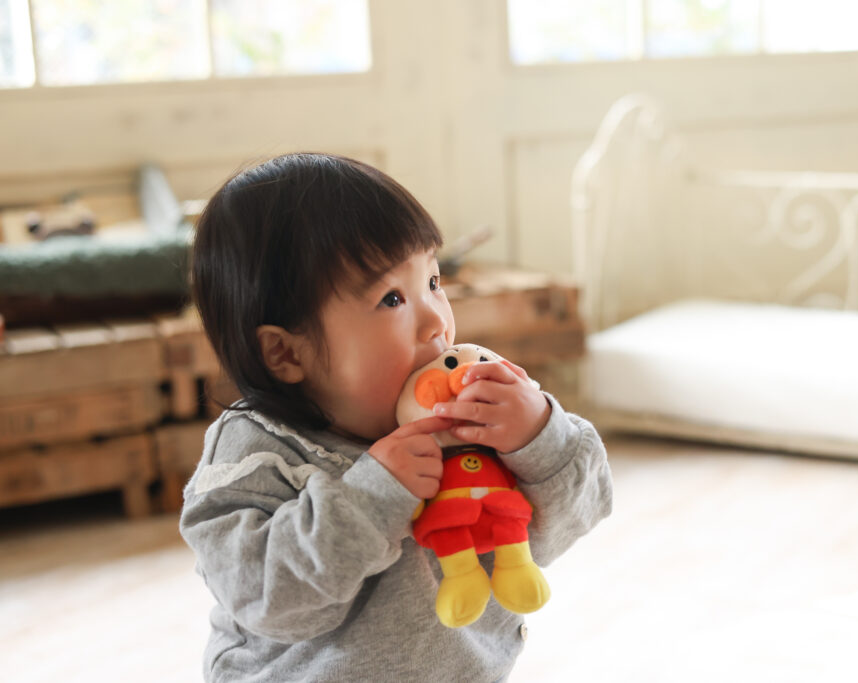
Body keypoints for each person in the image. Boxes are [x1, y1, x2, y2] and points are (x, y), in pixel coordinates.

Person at [180, 153, 613, 682]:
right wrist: (372, 497)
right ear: (286, 353)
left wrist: (538, 435)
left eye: (433, 281)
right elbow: (270, 601)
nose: (436, 324)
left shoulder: (469, 416)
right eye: (391, 299)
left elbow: (575, 517)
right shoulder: (256, 452)